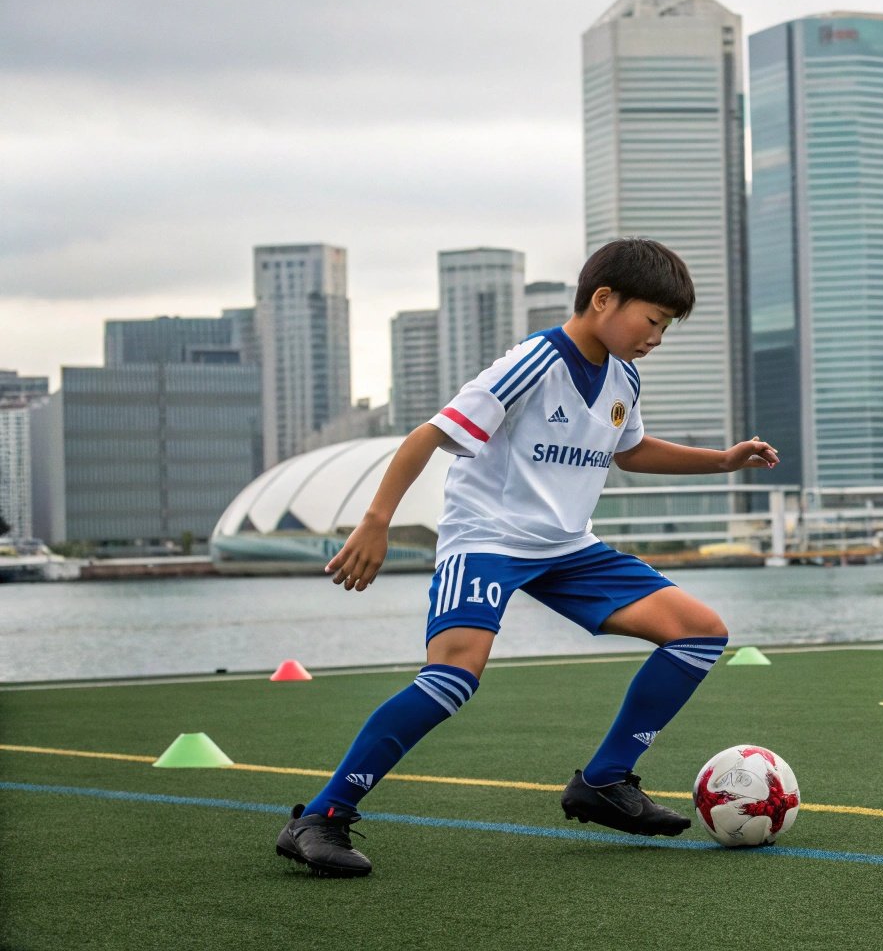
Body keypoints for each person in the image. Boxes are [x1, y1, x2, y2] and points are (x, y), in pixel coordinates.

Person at [276, 237, 779, 877]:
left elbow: (629, 449)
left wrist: (722, 460)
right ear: (604, 300)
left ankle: (605, 781)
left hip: (568, 548)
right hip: (488, 541)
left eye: (665, 328)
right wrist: (376, 521)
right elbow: (430, 433)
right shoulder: (534, 362)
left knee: (700, 633)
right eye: (652, 321)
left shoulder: (624, 377)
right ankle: (321, 816)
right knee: (453, 678)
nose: (656, 338)